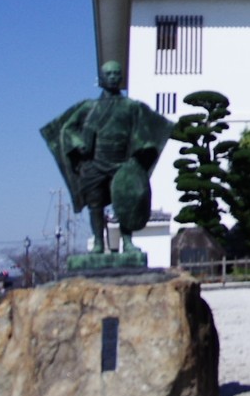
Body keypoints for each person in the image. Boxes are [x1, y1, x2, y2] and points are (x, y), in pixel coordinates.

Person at [40, 61, 176, 255]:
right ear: (101, 79)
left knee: (125, 200)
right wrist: (78, 143)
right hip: (94, 162)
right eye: (109, 74)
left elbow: (145, 131)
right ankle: (98, 242)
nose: (113, 77)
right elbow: (67, 129)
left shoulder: (131, 106)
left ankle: (127, 241)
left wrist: (140, 151)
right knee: (95, 204)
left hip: (122, 163)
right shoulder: (89, 107)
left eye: (116, 73)